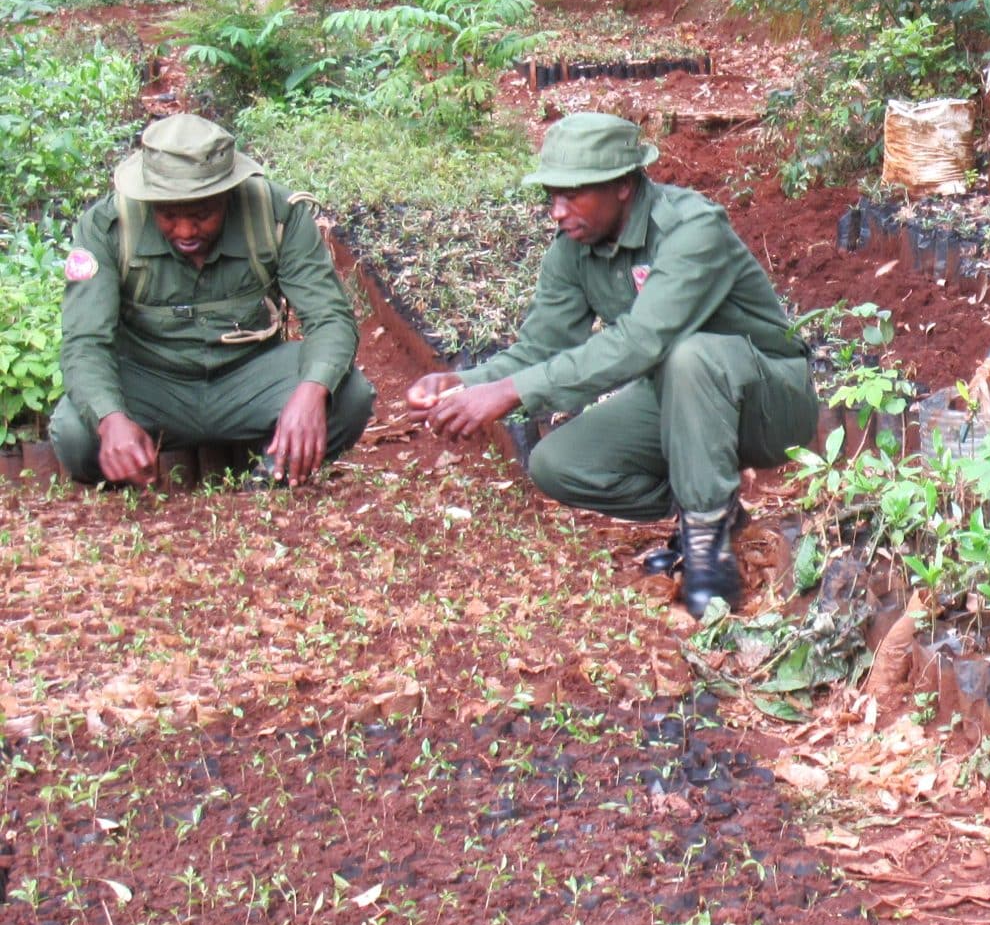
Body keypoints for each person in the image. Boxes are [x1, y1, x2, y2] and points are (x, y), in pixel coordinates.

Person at [406, 113, 818, 618]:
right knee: (557, 465)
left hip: (771, 403)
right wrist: (465, 383)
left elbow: (640, 343)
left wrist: (512, 392)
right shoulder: (573, 253)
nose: (557, 211)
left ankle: (709, 552)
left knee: (690, 354)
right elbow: (538, 350)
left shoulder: (691, 228)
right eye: (551, 195)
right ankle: (714, 507)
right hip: (681, 400)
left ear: (624, 184)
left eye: (573, 194)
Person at [52, 113, 375, 487]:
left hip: (249, 376)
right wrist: (111, 420)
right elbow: (85, 342)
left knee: (349, 396)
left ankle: (272, 477)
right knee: (74, 431)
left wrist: (311, 392)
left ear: (229, 193)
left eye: (203, 214)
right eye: (169, 216)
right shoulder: (106, 228)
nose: (187, 230)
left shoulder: (278, 215)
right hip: (152, 383)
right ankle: (133, 481)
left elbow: (330, 317)